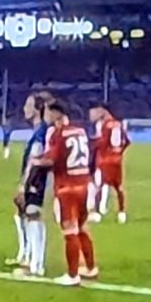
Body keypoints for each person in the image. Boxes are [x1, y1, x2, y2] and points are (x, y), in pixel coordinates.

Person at [34, 99, 99, 285]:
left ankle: (72, 275)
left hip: (67, 188)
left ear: (55, 113)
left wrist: (35, 161)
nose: (45, 116)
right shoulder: (80, 131)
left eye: (47, 112)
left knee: (70, 231)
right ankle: (90, 267)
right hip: (84, 185)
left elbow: (51, 160)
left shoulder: (58, 133)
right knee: (83, 228)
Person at [12, 91, 54, 277]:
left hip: (36, 178)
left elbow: (34, 159)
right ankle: (32, 260)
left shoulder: (41, 132)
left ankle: (35, 266)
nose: (24, 109)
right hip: (36, 177)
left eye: (28, 105)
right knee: (30, 215)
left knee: (33, 214)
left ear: (37, 109)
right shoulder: (40, 130)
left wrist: (24, 184)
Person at [87, 102, 129, 224]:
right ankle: (122, 213)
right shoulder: (118, 124)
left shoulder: (105, 125)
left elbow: (102, 142)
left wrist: (92, 144)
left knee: (98, 184)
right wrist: (119, 152)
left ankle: (97, 213)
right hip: (117, 160)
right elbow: (126, 141)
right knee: (119, 187)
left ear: (102, 111)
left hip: (105, 160)